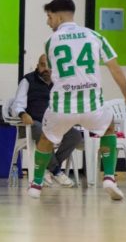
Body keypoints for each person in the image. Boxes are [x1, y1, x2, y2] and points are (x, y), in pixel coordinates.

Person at [29, 0, 126, 201]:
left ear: (59, 17)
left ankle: (36, 184)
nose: (48, 22)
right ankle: (110, 178)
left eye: (49, 17)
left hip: (62, 106)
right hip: (91, 104)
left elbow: (53, 71)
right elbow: (115, 68)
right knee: (109, 127)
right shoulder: (95, 36)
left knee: (45, 138)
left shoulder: (50, 41)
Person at [11, 53, 82, 188]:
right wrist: (22, 114)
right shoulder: (27, 81)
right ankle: (56, 171)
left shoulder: (60, 83)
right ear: (38, 66)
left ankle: (48, 168)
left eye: (50, 66)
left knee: (75, 135)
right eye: (43, 65)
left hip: (53, 125)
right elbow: (17, 105)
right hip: (31, 126)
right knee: (38, 128)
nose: (46, 69)